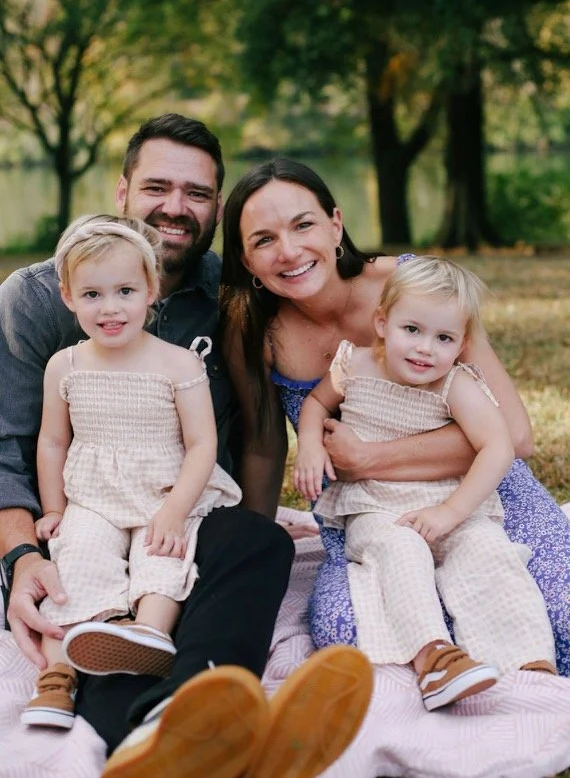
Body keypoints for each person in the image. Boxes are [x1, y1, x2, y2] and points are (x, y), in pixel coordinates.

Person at [0, 116, 373, 778]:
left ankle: (191, 713)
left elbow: (257, 430)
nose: (175, 207)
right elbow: (10, 444)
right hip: (75, 510)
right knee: (100, 600)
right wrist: (24, 551)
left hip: (179, 509)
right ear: (122, 191)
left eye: (197, 193)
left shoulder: (230, 293)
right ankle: (150, 729)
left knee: (260, 543)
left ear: (217, 208)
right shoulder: (36, 298)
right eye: (157, 186)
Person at [219, 156, 570, 675]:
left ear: (336, 223)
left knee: (557, 611)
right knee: (345, 632)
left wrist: (369, 458)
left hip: (477, 493)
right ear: (247, 261)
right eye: (264, 240)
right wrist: (249, 542)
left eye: (303, 224)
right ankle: (446, 666)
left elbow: (515, 436)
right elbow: (264, 445)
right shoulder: (257, 330)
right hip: (370, 516)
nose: (289, 251)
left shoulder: (417, 287)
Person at [293, 255, 556, 710]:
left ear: (461, 345)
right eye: (411, 330)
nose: (424, 349)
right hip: (377, 507)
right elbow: (316, 405)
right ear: (382, 323)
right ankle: (435, 657)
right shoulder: (353, 366)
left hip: (450, 503)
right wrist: (311, 447)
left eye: (443, 338)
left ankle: (529, 665)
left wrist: (453, 512)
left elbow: (499, 445)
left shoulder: (457, 385)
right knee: (401, 552)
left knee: (489, 554)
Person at [22, 215, 242, 728]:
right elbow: (53, 441)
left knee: (164, 553)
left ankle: (148, 635)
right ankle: (59, 678)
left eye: (125, 291)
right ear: (68, 296)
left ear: (151, 290)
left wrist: (174, 510)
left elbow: (201, 444)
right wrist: (55, 508)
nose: (110, 308)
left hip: (164, 491)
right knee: (75, 556)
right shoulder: (67, 365)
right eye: (93, 294)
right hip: (93, 495)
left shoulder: (179, 364)